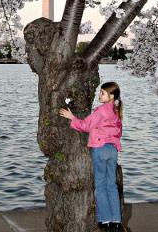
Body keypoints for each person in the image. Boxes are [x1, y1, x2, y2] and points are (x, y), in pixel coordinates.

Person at [59, 81, 123, 231]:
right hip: (112, 150)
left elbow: (85, 126)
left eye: (102, 93)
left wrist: (71, 117)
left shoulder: (101, 111)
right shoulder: (116, 111)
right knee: (111, 186)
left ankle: (105, 220)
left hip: (100, 149)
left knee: (100, 186)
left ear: (111, 96)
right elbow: (119, 132)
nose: (99, 95)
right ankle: (117, 221)